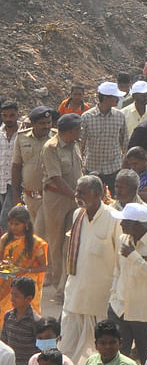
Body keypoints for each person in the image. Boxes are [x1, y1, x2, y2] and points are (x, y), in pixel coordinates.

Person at [59, 175, 121, 365]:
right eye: (77, 191)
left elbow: (119, 260)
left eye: (82, 192)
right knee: (66, 347)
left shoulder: (114, 219)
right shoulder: (77, 215)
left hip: (100, 299)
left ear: (97, 194)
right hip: (75, 294)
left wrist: (116, 293)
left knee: (99, 351)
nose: (77, 195)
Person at [109, 202, 147, 362]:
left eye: (125, 222)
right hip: (120, 308)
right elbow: (117, 270)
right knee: (119, 358)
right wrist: (113, 296)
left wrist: (134, 256)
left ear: (136, 225)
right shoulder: (123, 239)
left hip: (143, 313)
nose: (120, 224)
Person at [40, 112, 84, 293]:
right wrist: (75, 196)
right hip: (56, 199)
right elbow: (56, 178)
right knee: (56, 241)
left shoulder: (75, 145)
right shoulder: (51, 148)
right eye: (77, 129)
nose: (80, 132)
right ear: (68, 131)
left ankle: (65, 282)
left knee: (71, 241)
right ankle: (58, 280)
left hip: (74, 199)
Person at [79, 82, 129, 192]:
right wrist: (80, 166)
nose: (118, 99)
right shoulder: (87, 117)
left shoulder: (120, 116)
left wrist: (125, 165)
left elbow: (125, 142)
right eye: (115, 97)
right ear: (106, 99)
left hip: (114, 168)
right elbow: (80, 144)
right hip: (92, 166)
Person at [0, 206, 48, 315]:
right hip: (6, 282)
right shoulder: (5, 239)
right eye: (11, 223)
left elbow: (44, 266)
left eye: (17, 224)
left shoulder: (36, 243)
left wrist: (26, 270)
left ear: (26, 224)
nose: (13, 227)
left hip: (26, 284)